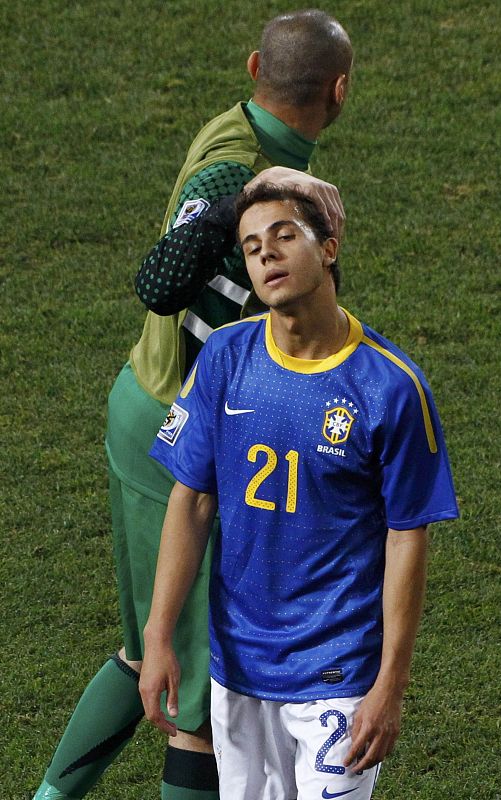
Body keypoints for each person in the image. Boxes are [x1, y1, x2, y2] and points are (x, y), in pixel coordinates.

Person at [33, 10, 353, 800]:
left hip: (142, 409)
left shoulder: (230, 129)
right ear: (340, 91)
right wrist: (262, 194)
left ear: (254, 69)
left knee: (147, 651)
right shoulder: (240, 170)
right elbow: (163, 279)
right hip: (182, 440)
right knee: (204, 702)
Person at [139, 183, 459, 799]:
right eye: (251, 246)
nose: (267, 254)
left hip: (339, 672)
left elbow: (406, 537)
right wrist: (158, 637)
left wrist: (390, 686)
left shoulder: (391, 388)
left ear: (329, 248)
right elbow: (193, 500)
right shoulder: (225, 356)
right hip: (239, 668)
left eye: (285, 236)